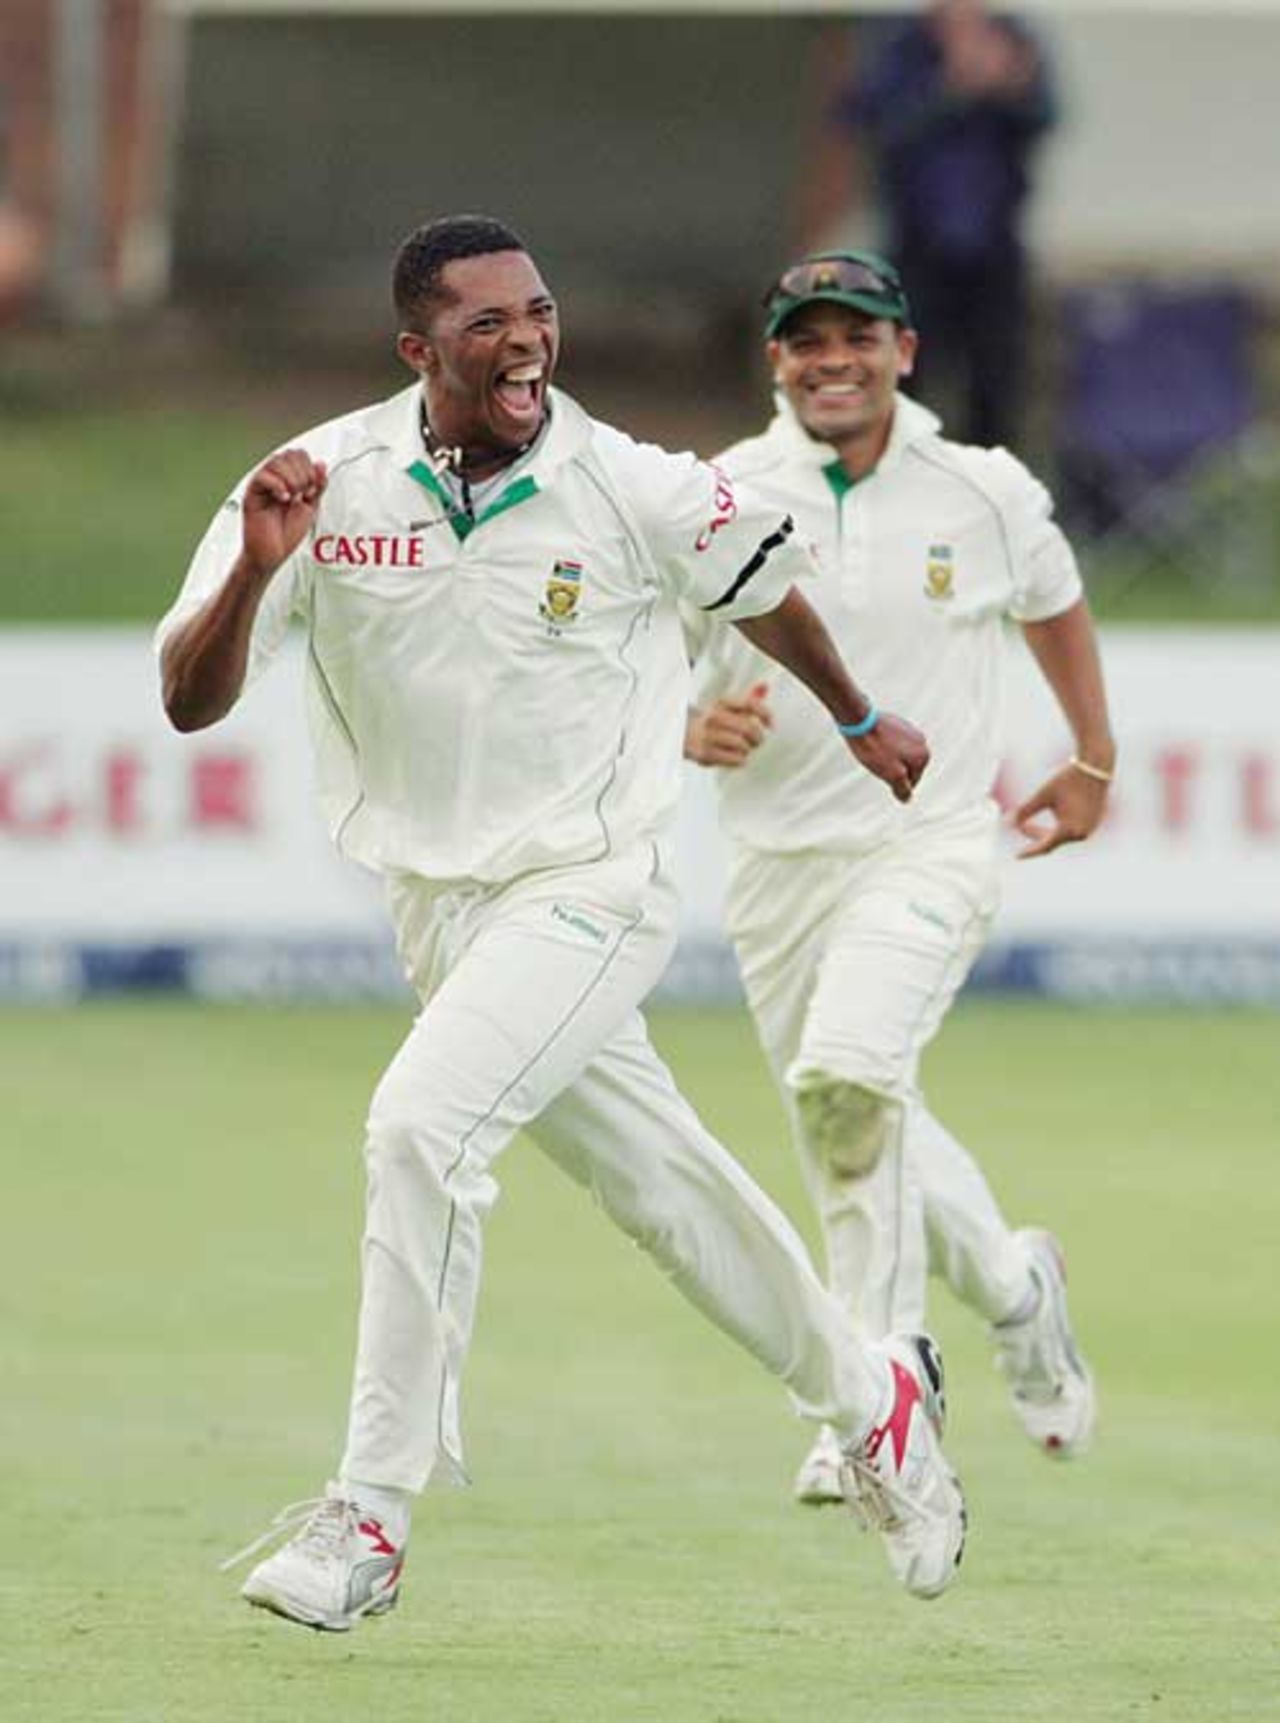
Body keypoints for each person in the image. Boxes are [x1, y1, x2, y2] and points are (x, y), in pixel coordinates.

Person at [157, 215, 967, 1628]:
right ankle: (873, 1399)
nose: (527, 337)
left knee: (421, 1128)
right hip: (439, 914)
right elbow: (188, 695)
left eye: (538, 311)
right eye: (487, 321)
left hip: (596, 889)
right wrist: (256, 566)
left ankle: (369, 1515)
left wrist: (853, 713)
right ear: (419, 348)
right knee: (665, 1188)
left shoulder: (631, 483)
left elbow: (763, 583)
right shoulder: (318, 482)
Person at [684, 248, 1112, 1505]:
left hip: (927, 844)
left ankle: (876, 1393)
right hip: (773, 865)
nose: (832, 359)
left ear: (902, 352)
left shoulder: (977, 490)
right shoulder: (720, 491)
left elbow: (1055, 600)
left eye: (856, 337)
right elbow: (645, 653)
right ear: (775, 361)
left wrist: (1090, 755)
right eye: (806, 340)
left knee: (848, 1078)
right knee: (852, 1118)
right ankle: (1018, 1288)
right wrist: (680, 727)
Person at [800, 0, 1057, 449]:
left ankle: (988, 495)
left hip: (995, 246)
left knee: (996, 385)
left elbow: (1047, 116)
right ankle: (895, 491)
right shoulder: (897, 42)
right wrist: (954, 89)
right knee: (905, 382)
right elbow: (868, 121)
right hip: (916, 245)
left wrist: (1011, 89)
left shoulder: (1014, 36)